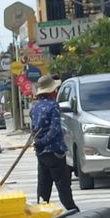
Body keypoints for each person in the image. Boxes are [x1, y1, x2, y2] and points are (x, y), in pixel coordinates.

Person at [30, 75, 79, 211]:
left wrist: (39, 142)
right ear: (51, 92)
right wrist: (45, 141)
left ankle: (40, 212)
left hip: (41, 153)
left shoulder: (34, 108)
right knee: (63, 186)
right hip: (55, 152)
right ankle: (73, 211)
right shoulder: (53, 106)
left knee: (43, 186)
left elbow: (34, 130)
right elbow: (55, 129)